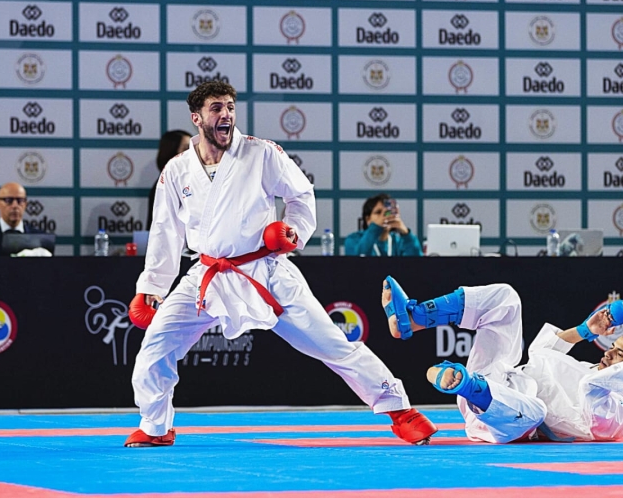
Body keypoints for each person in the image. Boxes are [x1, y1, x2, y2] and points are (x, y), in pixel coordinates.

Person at [123, 81, 436, 448]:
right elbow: (165, 231)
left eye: (230, 107)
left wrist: (292, 232)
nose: (226, 114)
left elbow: (301, 195)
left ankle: (400, 410)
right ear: (197, 118)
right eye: (216, 108)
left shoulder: (261, 153)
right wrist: (151, 287)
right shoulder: (177, 170)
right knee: (156, 345)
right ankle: (155, 425)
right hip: (208, 275)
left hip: (266, 271)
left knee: (332, 343)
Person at [381, 276, 623, 443]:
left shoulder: (617, 415)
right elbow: (541, 353)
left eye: (620, 354)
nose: (608, 353)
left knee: (537, 410)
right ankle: (414, 318)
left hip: (502, 417)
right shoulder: (582, 368)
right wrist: (586, 330)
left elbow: (593, 388)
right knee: (507, 298)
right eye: (613, 347)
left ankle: (467, 385)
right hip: (501, 376)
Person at [0, 182, 44, 256]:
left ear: (25, 205)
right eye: (8, 200)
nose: (15, 206)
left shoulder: (39, 238)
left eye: (20, 201)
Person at [344, 194, 422, 256]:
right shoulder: (353, 240)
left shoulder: (399, 242)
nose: (384, 216)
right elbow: (358, 260)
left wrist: (406, 234)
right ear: (368, 219)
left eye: (388, 212)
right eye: (378, 212)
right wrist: (375, 227)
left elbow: (417, 265)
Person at [146, 129, 192, 230]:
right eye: (186, 148)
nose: (192, 153)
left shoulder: (192, 182)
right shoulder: (164, 186)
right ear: (172, 152)